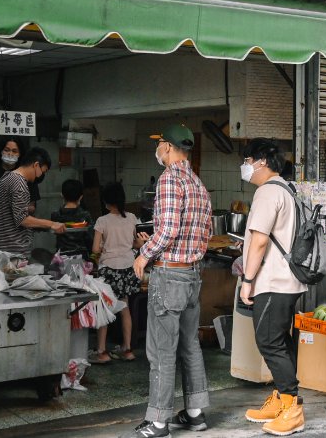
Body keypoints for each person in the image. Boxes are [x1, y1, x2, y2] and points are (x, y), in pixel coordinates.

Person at [122, 124, 212, 438]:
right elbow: (202, 232)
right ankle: (195, 414)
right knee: (190, 345)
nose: (158, 150)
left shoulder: (170, 178)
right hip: (192, 274)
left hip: (169, 274)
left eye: (160, 144)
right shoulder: (198, 183)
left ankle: (158, 422)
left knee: (161, 351)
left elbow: (169, 229)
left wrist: (144, 253)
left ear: (169, 148)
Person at [238, 138, 307, 436]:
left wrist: (248, 280)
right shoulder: (288, 188)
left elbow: (260, 241)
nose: (245, 167)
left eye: (246, 161)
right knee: (281, 340)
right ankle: (282, 398)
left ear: (261, 161)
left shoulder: (267, 192)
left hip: (272, 281)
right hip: (290, 281)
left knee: (270, 342)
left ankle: (292, 409)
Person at [91, 182, 144, 364]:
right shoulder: (131, 218)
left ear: (105, 201)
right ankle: (127, 349)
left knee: (105, 309)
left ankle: (102, 352)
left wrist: (104, 249)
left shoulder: (102, 221)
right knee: (124, 308)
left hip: (109, 269)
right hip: (128, 268)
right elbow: (136, 244)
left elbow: (95, 248)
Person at [0, 147, 66, 256]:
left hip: (2, 246)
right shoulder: (19, 183)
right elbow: (22, 220)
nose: (41, 176)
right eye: (43, 171)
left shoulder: (7, 176)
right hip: (13, 250)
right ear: (36, 165)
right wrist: (52, 224)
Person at [0, 136, 41, 215]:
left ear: (20, 154)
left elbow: (32, 207)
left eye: (14, 151)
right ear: (0, 151)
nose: (10, 154)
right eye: (6, 150)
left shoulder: (28, 175)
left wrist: (15, 207)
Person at [50, 179, 93, 258]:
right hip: (81, 257)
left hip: (62, 257)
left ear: (62, 195)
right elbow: (89, 239)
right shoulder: (85, 216)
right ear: (81, 197)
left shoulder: (55, 215)